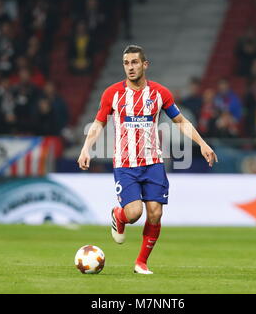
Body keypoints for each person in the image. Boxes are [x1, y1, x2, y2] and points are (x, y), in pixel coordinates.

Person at [77, 45, 218, 274]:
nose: (130, 67)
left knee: (155, 213)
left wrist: (202, 144)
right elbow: (98, 123)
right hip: (125, 164)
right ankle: (118, 215)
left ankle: (141, 262)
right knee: (134, 213)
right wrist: (86, 149)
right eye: (126, 63)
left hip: (153, 162)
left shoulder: (160, 93)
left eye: (134, 62)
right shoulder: (112, 93)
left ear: (145, 64)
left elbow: (180, 121)